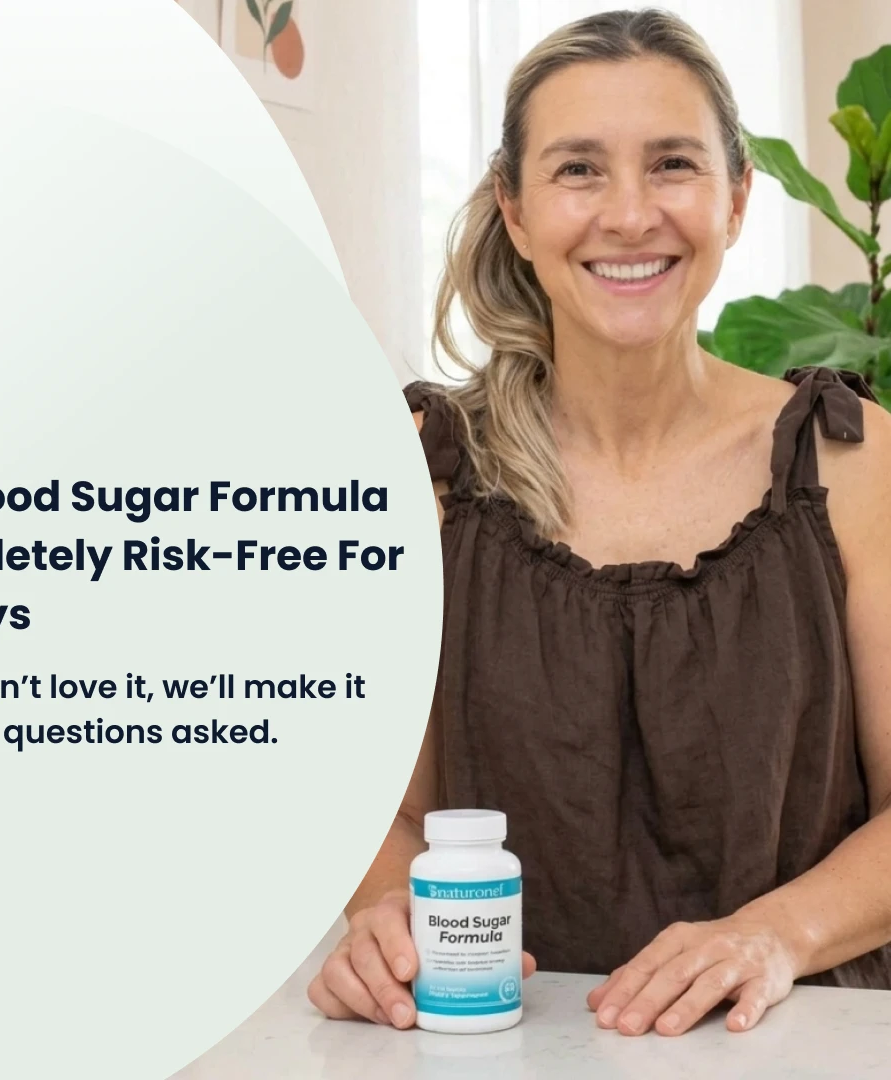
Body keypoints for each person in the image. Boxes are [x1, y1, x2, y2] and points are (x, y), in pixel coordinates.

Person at [307, 7, 891, 1039]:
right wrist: (388, 921)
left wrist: (777, 934)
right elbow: (381, 817)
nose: (629, 215)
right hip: (493, 1047)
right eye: (579, 169)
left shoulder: (852, 459)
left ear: (737, 197)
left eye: (672, 164)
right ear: (517, 210)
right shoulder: (423, 474)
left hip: (802, 1047)